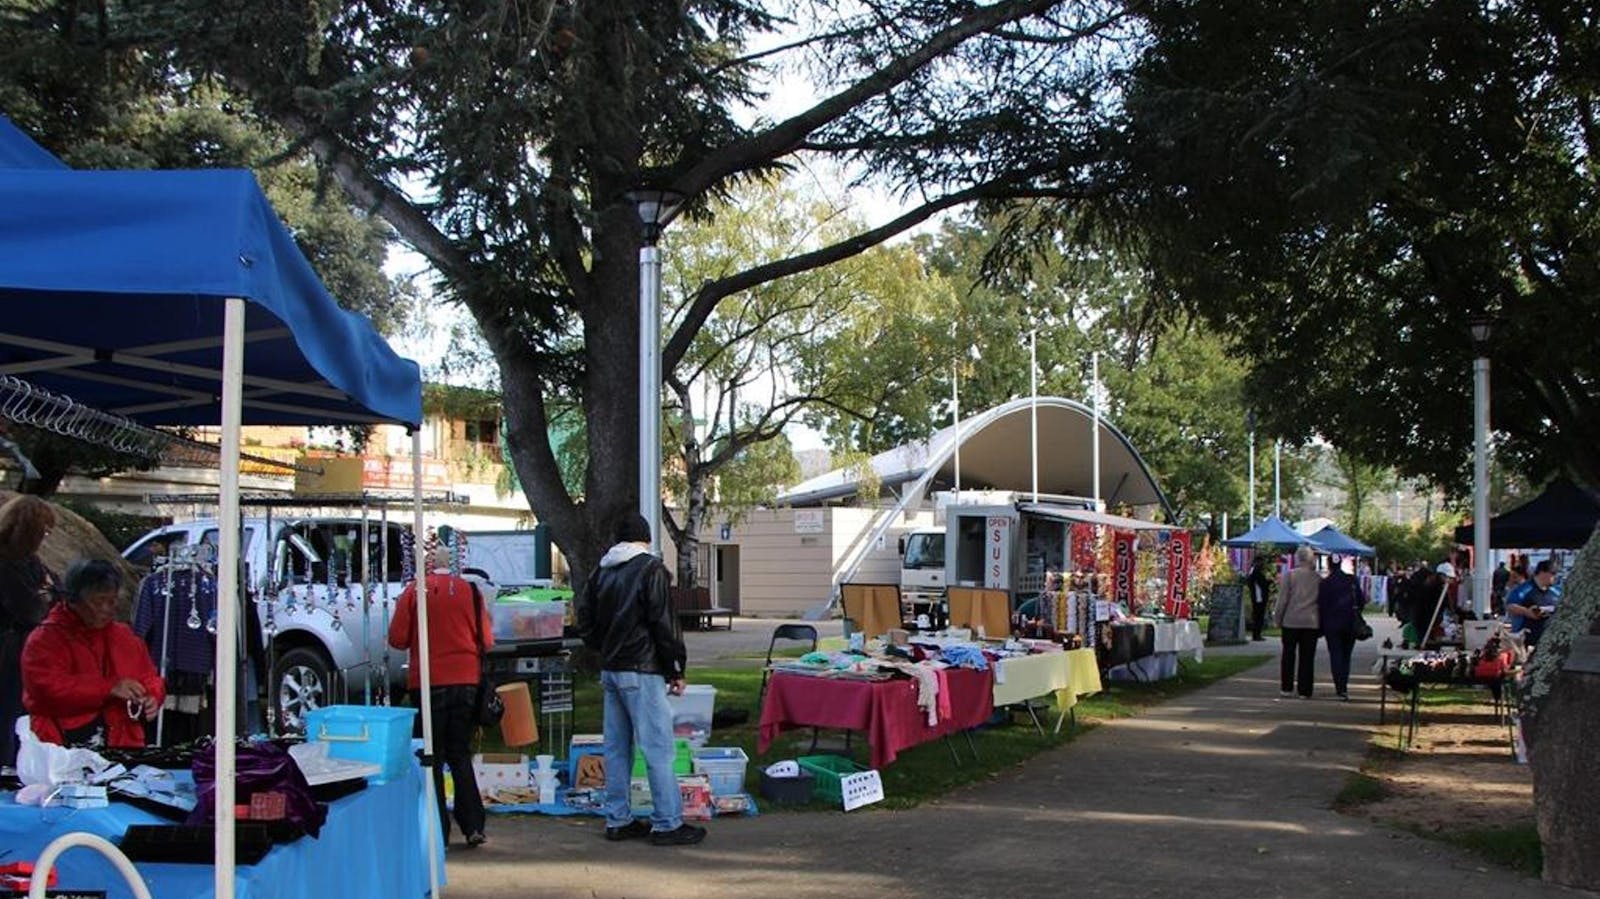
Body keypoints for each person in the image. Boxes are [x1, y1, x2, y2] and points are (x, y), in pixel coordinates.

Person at [576, 511, 704, 846]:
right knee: (658, 748)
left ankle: (618, 819)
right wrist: (676, 667)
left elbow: (584, 618)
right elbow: (664, 623)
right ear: (646, 539)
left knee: (617, 749)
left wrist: (602, 647)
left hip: (611, 669)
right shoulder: (651, 569)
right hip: (642, 669)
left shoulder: (600, 571)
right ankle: (667, 822)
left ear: (617, 539)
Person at [388, 537, 493, 848]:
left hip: (428, 681)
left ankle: (438, 829)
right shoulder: (471, 591)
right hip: (466, 680)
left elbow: (397, 638)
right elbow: (486, 639)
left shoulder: (414, 592)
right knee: (460, 753)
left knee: (431, 756)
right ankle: (473, 824)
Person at [22, 559, 163, 749]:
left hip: (122, 741)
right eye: (98, 602)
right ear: (73, 599)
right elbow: (46, 690)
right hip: (62, 746)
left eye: (112, 601)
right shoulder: (45, 639)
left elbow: (149, 677)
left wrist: (152, 696)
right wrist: (108, 688)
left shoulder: (124, 635)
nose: (106, 609)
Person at [0, 495, 56, 767]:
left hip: (22, 652)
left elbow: (54, 594)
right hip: (8, 652)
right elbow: (31, 608)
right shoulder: (6, 563)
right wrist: (43, 595)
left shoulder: (30, 562)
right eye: (43, 531)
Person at [1272, 545, 1321, 699]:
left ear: (1298, 558)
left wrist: (1277, 619)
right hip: (1311, 622)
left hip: (1291, 620)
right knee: (1307, 657)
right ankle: (1305, 690)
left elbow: (1283, 600)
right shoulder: (1318, 578)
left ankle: (1286, 687)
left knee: (1288, 655)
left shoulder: (1290, 575)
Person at [1317, 555, 1366, 700]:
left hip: (1332, 625)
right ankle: (1344, 683)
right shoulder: (1351, 580)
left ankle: (1340, 687)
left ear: (1329, 565)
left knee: (1335, 655)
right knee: (1346, 655)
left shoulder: (1325, 583)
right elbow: (1361, 600)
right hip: (1350, 623)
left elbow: (1321, 605)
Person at [1506, 560, 1559, 648]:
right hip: (1527, 641)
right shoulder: (1524, 589)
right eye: (1553, 573)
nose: (1555, 577)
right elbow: (1510, 606)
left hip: (1549, 641)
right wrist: (1527, 612)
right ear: (1542, 573)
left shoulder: (1556, 591)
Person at [1245, 556, 1273, 642]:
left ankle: (1257, 634)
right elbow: (1262, 583)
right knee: (1258, 616)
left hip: (1258, 596)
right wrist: (1269, 582)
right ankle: (1256, 635)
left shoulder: (1253, 571)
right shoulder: (1256, 572)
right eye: (1262, 562)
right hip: (1258, 597)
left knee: (1258, 616)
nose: (1263, 564)